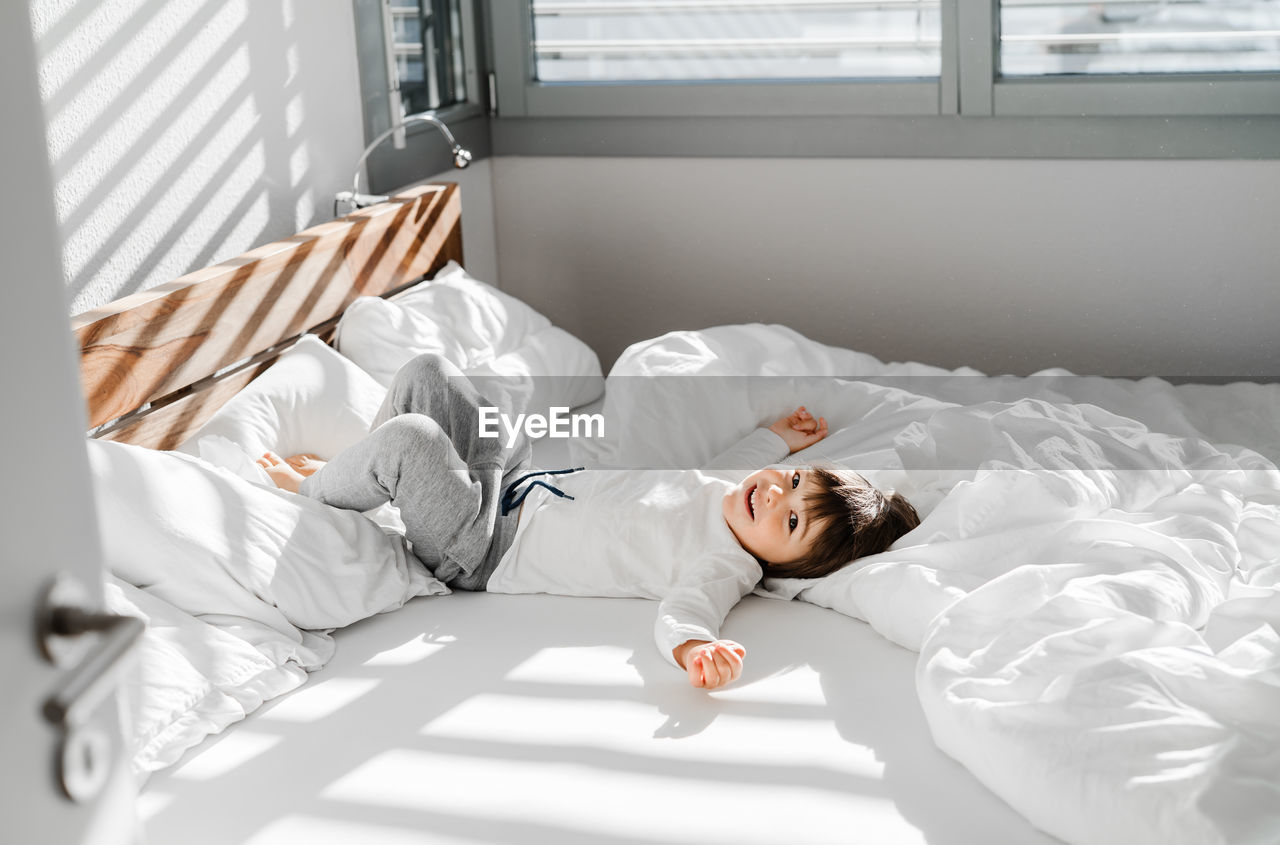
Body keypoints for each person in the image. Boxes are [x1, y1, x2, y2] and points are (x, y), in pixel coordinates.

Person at [258, 354, 920, 690]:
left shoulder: (728, 562)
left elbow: (689, 610)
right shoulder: (731, 490)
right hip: (514, 483)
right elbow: (737, 462)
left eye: (792, 519)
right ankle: (360, 468)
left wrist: (695, 650)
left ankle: (314, 488)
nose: (774, 496)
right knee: (429, 374)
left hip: (483, 545)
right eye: (793, 485)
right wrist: (778, 439)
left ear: (786, 562)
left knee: (414, 439)